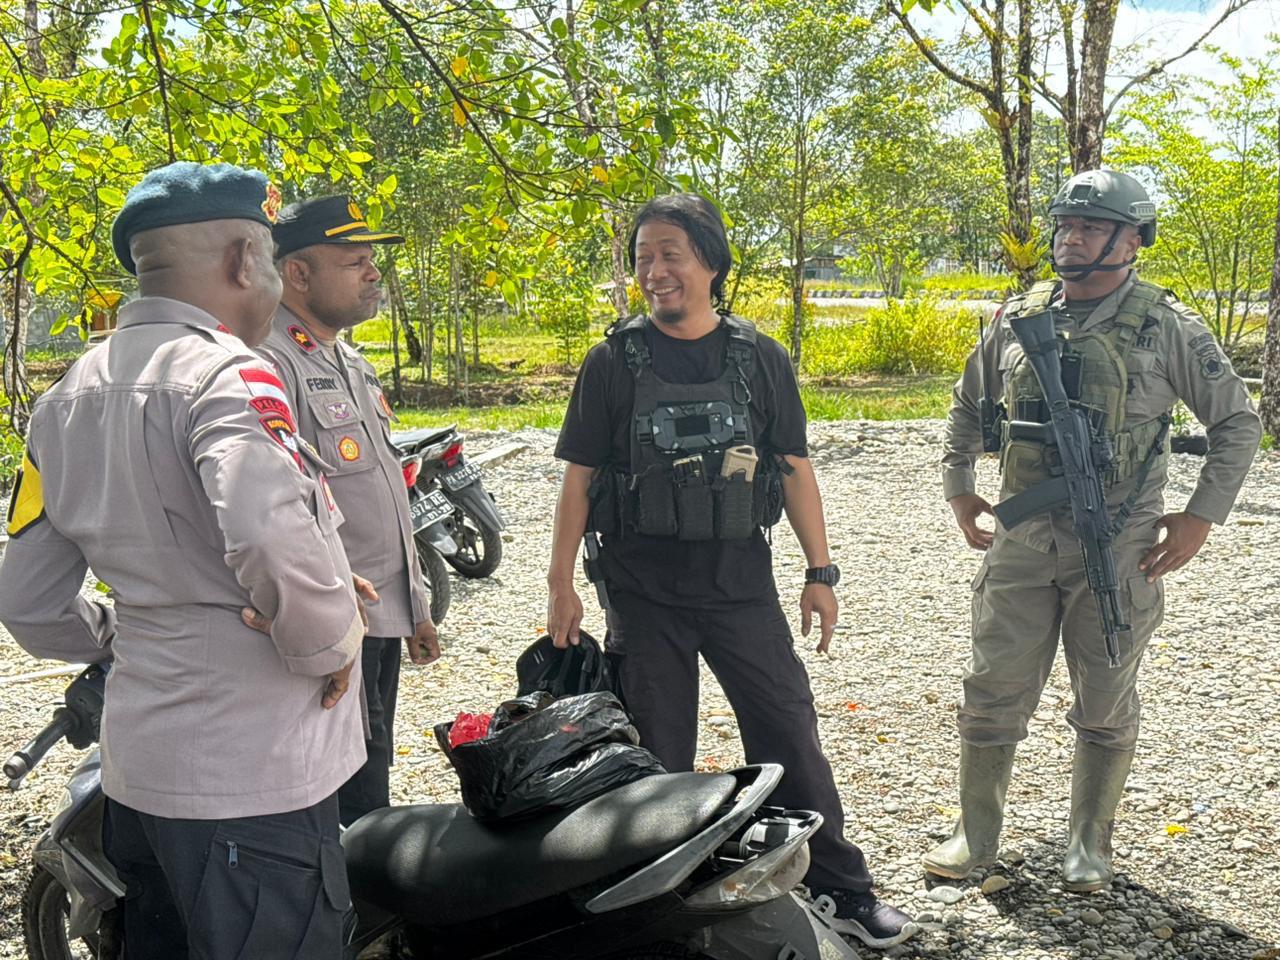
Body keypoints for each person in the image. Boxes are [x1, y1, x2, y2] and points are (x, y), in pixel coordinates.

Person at [0, 162, 368, 959]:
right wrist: (332, 640)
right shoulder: (228, 375)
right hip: (252, 775)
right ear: (243, 260)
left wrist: (128, 628)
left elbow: (28, 603)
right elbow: (268, 537)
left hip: (139, 774)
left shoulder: (67, 397)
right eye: (271, 259)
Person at [545, 193, 917, 950]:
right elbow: (579, 478)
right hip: (642, 592)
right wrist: (560, 584)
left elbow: (793, 467)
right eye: (643, 257)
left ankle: (839, 885)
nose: (654, 271)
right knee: (658, 757)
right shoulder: (612, 362)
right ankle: (653, 911)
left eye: (670, 254)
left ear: (711, 261)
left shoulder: (759, 358)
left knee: (788, 732)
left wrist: (821, 571)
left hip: (740, 584)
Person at [927, 169, 1261, 891]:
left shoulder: (1167, 326)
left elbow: (1237, 423)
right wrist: (960, 485)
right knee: (991, 686)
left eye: (1091, 227)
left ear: (1133, 240)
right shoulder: (1018, 316)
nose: (1071, 238)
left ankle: (1090, 842)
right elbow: (967, 404)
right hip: (1021, 540)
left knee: (1106, 693)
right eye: (1066, 225)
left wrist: (1200, 516)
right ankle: (974, 834)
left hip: (1118, 542)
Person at [261, 195, 439, 827]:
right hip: (333, 622)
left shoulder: (347, 360)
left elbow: (382, 495)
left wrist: (415, 604)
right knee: (343, 799)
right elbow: (280, 511)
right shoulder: (270, 361)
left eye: (371, 260)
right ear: (297, 273)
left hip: (376, 618)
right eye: (354, 262)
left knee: (370, 769)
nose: (373, 273)